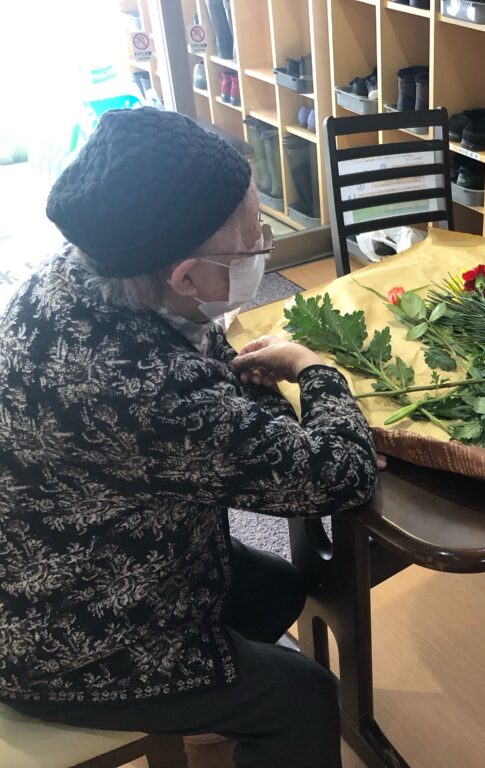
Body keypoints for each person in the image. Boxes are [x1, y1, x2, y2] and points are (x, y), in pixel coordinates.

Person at [0, 108, 380, 768]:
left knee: (275, 588)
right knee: (304, 697)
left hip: (58, 558)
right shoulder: (146, 388)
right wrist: (313, 368)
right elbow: (343, 475)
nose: (263, 250)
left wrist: (236, 382)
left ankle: (204, 715)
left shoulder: (89, 264)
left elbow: (201, 359)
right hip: (63, 639)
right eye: (254, 243)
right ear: (185, 277)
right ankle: (198, 705)